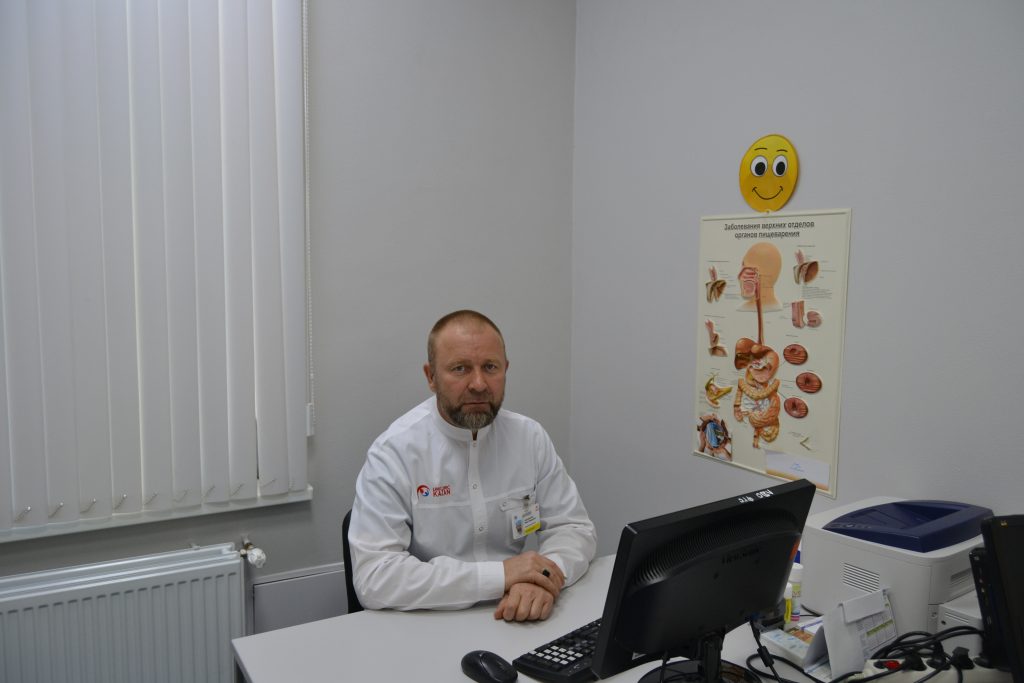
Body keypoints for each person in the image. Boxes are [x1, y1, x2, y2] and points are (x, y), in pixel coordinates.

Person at [349, 310, 597, 622]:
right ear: (431, 376)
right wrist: (501, 576)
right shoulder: (395, 452)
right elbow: (375, 576)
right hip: (428, 622)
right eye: (460, 369)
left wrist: (543, 577)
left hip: (519, 615)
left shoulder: (529, 438)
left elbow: (573, 528)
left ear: (505, 369)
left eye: (490, 367)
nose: (479, 384)